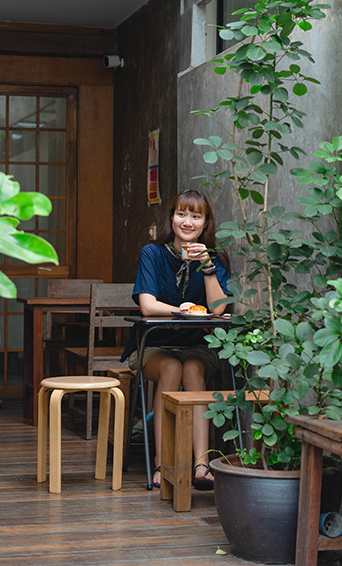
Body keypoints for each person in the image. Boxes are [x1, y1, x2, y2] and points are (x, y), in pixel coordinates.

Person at [121, 189, 232, 489]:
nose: (187, 222)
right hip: (152, 346)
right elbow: (147, 305)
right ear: (171, 217)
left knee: (192, 369)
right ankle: (163, 462)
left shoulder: (215, 259)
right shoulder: (152, 254)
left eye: (196, 216)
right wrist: (185, 311)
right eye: (181, 214)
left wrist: (207, 267)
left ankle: (201, 464)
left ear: (205, 222)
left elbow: (218, 309)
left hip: (197, 347)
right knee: (171, 368)